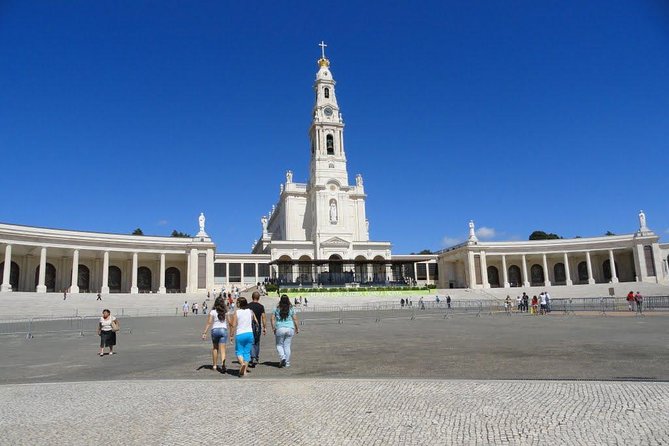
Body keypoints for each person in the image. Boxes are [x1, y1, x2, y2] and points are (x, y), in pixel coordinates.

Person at [229, 297, 258, 377]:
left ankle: (242, 364)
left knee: (239, 351)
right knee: (247, 352)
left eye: (237, 302)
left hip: (240, 333)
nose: (236, 304)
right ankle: (244, 371)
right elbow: (256, 322)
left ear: (239, 304)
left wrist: (231, 335)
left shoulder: (237, 312)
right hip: (249, 333)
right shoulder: (250, 311)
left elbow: (233, 325)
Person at [201, 297, 229, 372]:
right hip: (223, 329)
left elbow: (209, 322)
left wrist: (204, 332)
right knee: (223, 349)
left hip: (215, 330)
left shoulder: (213, 311)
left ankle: (214, 365)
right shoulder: (225, 311)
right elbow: (230, 322)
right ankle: (223, 364)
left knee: (215, 348)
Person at [271, 295, 299, 368]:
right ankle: (287, 362)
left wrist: (273, 328)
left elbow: (272, 319)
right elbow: (295, 319)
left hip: (280, 328)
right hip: (290, 328)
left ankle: (283, 357)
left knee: (279, 345)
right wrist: (297, 328)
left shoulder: (276, 308)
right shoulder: (291, 308)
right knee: (287, 346)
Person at [247, 291, 267, 368]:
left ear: (252, 297)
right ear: (259, 298)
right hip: (258, 326)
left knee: (251, 341)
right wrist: (265, 327)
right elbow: (264, 317)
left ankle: (253, 357)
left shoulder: (248, 306)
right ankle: (256, 356)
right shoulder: (261, 306)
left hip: (249, 325)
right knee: (257, 342)